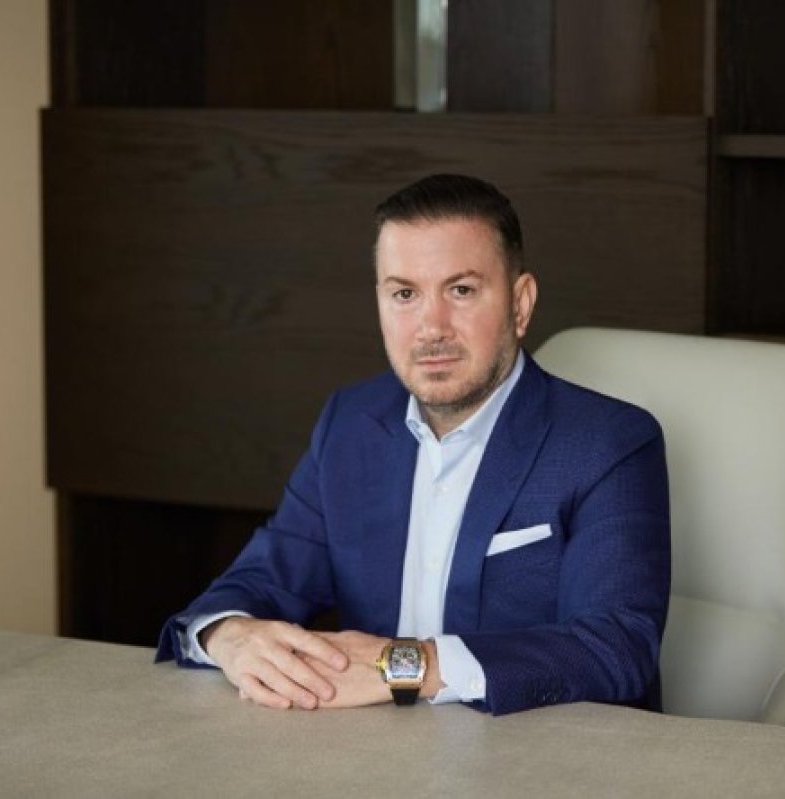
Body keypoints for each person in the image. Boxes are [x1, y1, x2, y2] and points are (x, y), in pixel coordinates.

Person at [156, 173, 671, 716]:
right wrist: (229, 635)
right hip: (375, 746)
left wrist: (402, 667)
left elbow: (617, 647)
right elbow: (262, 580)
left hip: (535, 751)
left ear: (520, 305)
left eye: (461, 291)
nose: (431, 327)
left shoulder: (607, 443)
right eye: (404, 294)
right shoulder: (350, 424)